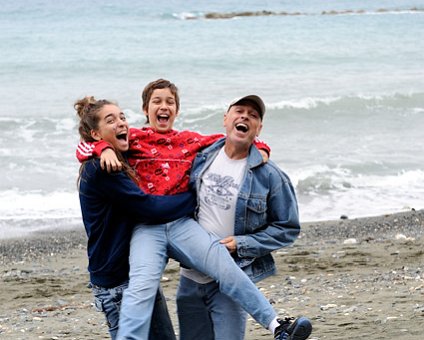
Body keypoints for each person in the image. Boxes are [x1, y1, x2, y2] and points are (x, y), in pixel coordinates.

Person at [76, 79, 312, 340]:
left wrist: (262, 148)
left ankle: (277, 325)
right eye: (157, 101)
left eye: (170, 102)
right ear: (145, 109)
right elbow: (86, 142)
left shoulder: (190, 141)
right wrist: (102, 147)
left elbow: (234, 139)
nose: (163, 106)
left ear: (176, 110)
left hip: (181, 224)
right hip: (147, 227)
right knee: (141, 287)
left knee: (225, 265)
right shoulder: (133, 138)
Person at [176, 95, 312, 340]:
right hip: (189, 280)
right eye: (239, 111)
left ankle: (278, 327)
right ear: (225, 119)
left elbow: (287, 228)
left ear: (259, 128)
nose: (245, 117)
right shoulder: (200, 158)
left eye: (254, 115)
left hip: (232, 282)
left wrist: (242, 243)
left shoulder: (271, 175)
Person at [75, 96, 197, 339]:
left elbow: (85, 145)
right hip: (117, 283)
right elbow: (149, 207)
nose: (121, 123)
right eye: (111, 120)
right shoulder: (102, 169)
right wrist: (195, 199)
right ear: (96, 133)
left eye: (122, 117)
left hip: (137, 273)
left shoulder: (117, 156)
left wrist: (104, 147)